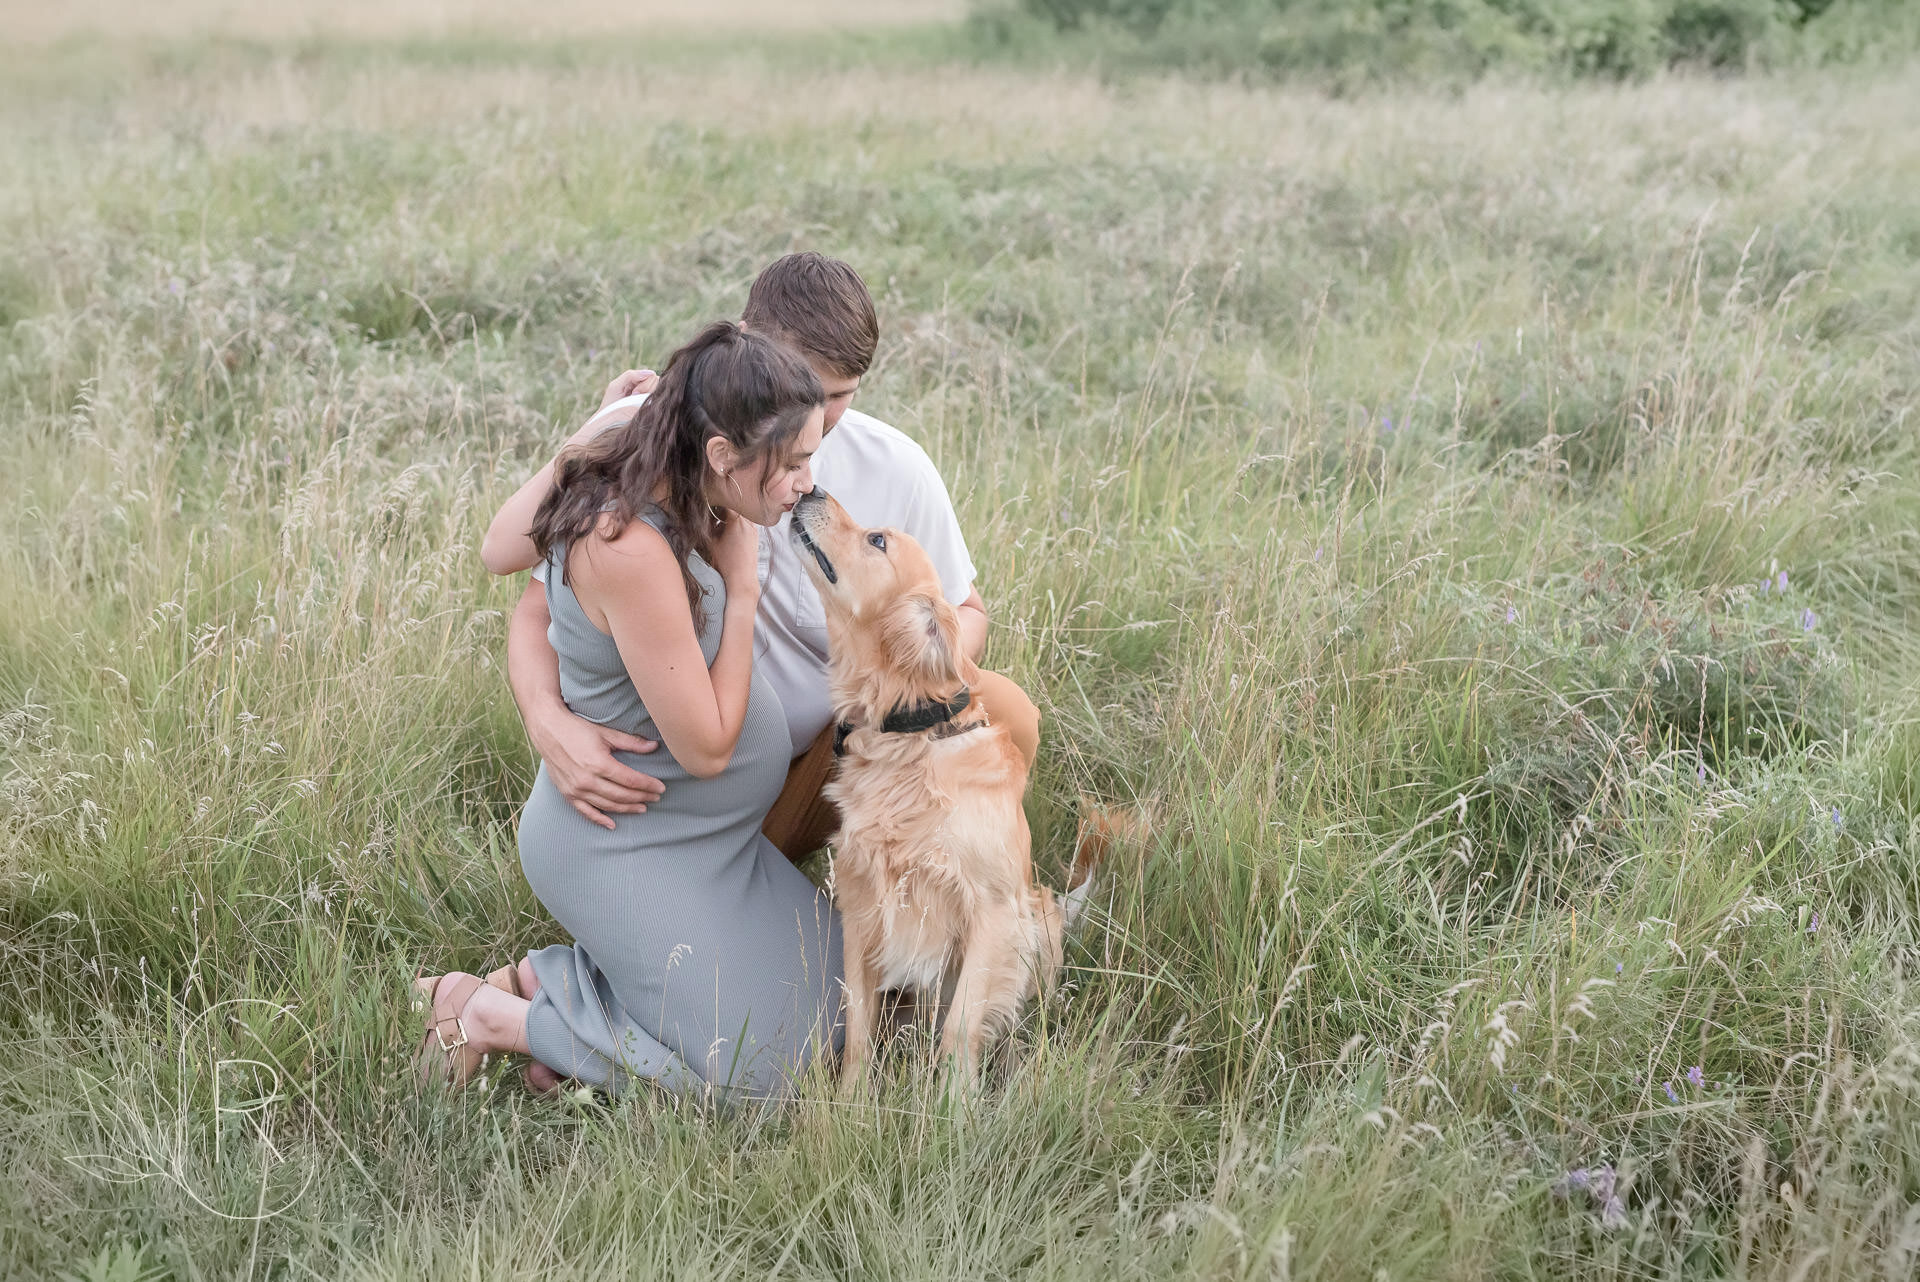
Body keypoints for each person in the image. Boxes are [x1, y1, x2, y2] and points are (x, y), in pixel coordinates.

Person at [482, 252, 1040, 860]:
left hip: (819, 767)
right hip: (671, 787)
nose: (816, 416)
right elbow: (539, 601)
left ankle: (948, 901)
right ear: (744, 348)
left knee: (1002, 710)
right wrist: (545, 720)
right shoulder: (665, 449)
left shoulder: (895, 468)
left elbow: (965, 608)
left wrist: (892, 674)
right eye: (798, 383)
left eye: (839, 395)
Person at [415, 321, 841, 1099]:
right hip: (632, 842)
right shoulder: (628, 545)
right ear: (722, 457)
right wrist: (740, 591)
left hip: (712, 838)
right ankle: (488, 1017)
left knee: (842, 1003)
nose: (806, 483)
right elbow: (709, 749)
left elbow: (507, 556)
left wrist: (599, 431)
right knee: (763, 1080)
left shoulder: (680, 445)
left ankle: (562, 985)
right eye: (796, 463)